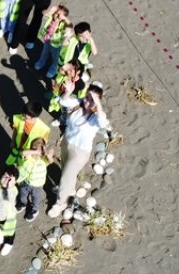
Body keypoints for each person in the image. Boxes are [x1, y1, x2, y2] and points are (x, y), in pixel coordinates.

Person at [47, 84, 110, 219]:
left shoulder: (95, 117)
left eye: (92, 100)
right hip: (66, 144)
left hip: (80, 153)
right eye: (87, 97)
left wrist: (97, 104)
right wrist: (68, 92)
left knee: (66, 176)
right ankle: (68, 190)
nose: (88, 101)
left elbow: (103, 123)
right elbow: (64, 101)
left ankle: (60, 203)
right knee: (65, 171)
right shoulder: (78, 104)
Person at [16, 139, 52, 222]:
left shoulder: (43, 160)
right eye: (35, 145)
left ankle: (34, 210)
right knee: (22, 194)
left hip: (38, 186)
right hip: (25, 182)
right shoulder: (28, 157)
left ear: (43, 148)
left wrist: (46, 153)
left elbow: (51, 160)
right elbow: (22, 153)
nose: (37, 145)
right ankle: (22, 203)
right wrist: (35, 152)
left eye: (40, 144)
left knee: (36, 199)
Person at [6, 101, 52, 166]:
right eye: (23, 113)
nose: (22, 115)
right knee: (16, 162)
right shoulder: (19, 118)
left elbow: (41, 145)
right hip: (17, 147)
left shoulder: (44, 129)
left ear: (32, 116)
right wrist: (13, 141)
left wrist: (34, 155)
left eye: (25, 114)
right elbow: (15, 130)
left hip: (28, 154)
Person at [33, 4, 71, 75]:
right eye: (56, 13)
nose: (56, 15)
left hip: (56, 44)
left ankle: (53, 69)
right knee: (44, 52)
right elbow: (43, 12)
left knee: (55, 58)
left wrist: (65, 19)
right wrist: (51, 10)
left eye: (59, 15)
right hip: (47, 40)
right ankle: (41, 62)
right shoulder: (51, 17)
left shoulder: (63, 24)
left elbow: (71, 25)